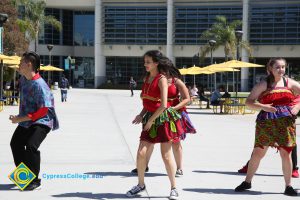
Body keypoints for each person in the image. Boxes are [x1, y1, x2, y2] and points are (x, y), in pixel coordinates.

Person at [234, 57, 300, 196]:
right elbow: (249, 102)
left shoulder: (290, 83)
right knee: (258, 152)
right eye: (277, 67)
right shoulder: (264, 84)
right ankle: (247, 182)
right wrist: (263, 106)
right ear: (270, 69)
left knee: (285, 153)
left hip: (285, 122)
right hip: (266, 122)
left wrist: (297, 106)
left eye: (283, 67)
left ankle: (288, 186)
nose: (281, 69)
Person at [126, 50, 184, 199]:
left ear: (156, 63)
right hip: (149, 119)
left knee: (166, 155)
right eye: (145, 62)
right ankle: (140, 184)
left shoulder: (161, 79)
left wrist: (151, 120)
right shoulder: (147, 78)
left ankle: (173, 187)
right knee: (141, 153)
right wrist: (141, 114)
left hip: (162, 120)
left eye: (148, 62)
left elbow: (163, 105)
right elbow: (148, 102)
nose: (145, 64)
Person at [130, 57, 196, 177]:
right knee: (149, 141)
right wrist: (141, 114)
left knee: (175, 142)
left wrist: (174, 108)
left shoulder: (176, 81)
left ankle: (179, 168)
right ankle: (144, 166)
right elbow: (148, 101)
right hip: (156, 113)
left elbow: (187, 99)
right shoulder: (156, 80)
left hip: (172, 115)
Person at [9, 51, 59, 191]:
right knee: (15, 144)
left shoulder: (40, 85)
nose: (19, 65)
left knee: (31, 146)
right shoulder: (24, 78)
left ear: (29, 64)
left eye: (21, 62)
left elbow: (43, 111)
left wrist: (20, 118)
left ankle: (35, 181)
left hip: (42, 121)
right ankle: (24, 176)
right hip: (27, 119)